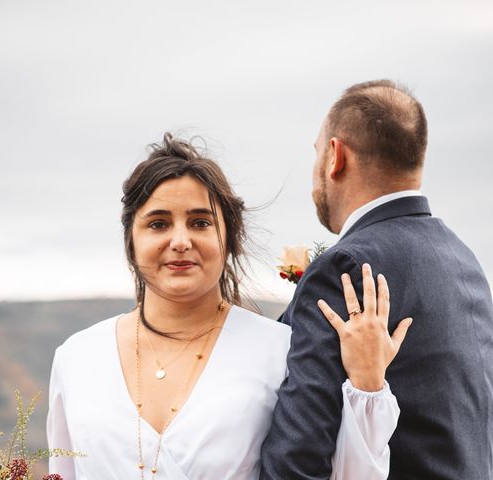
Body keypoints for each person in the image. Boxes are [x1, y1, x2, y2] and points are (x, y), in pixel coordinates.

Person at [47, 133, 410, 479]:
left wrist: (367, 384)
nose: (180, 241)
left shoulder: (283, 352)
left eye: (200, 222)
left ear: (229, 237)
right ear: (131, 240)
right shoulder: (77, 358)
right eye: (158, 224)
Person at [260, 80, 493, 479]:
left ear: (335, 156)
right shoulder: (465, 262)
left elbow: (297, 456)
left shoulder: (347, 267)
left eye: (317, 153)